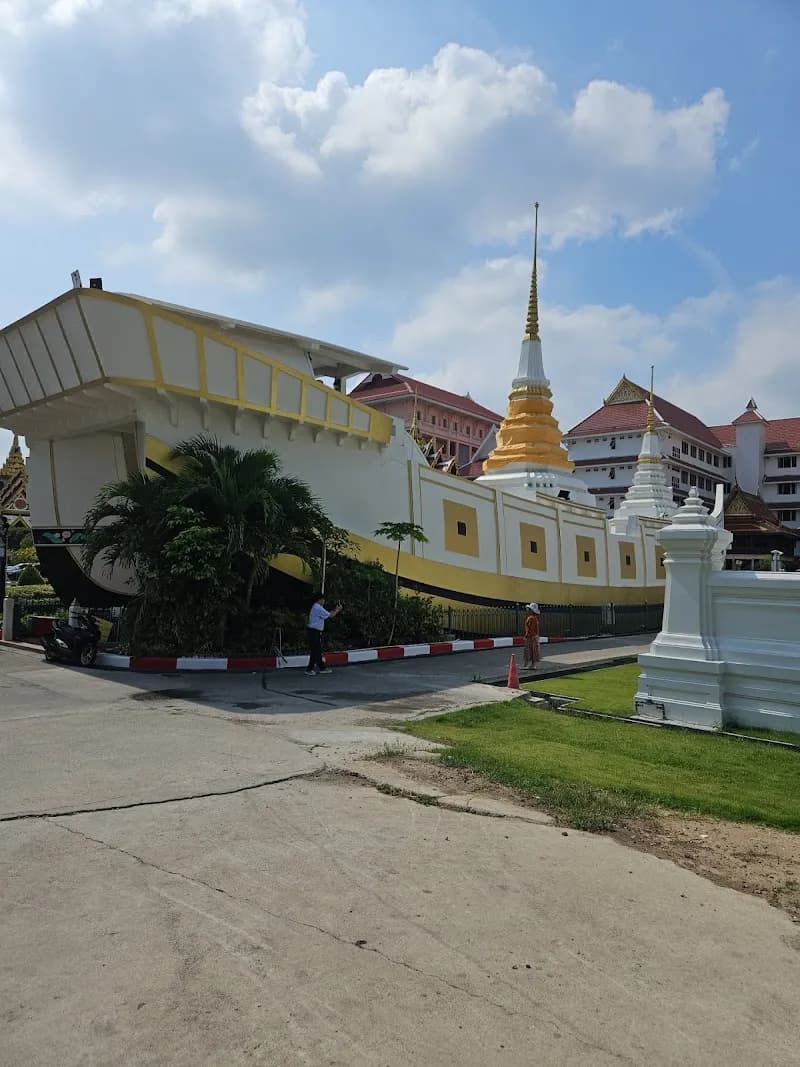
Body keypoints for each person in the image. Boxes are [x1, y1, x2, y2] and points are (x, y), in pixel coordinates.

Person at [306, 593, 342, 676]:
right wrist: (338, 610)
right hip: (314, 631)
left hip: (314, 631)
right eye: (323, 599)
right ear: (319, 600)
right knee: (316, 650)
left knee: (316, 650)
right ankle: (316, 668)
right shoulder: (317, 608)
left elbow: (327, 614)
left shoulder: (317, 607)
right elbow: (330, 615)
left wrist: (335, 610)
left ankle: (317, 668)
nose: (324, 601)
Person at [522, 602, 541, 669]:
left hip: (531, 637)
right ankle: (533, 665)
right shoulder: (535, 618)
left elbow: (530, 629)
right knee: (534, 651)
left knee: (528, 651)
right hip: (535, 636)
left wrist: (526, 635)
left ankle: (526, 664)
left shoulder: (531, 618)